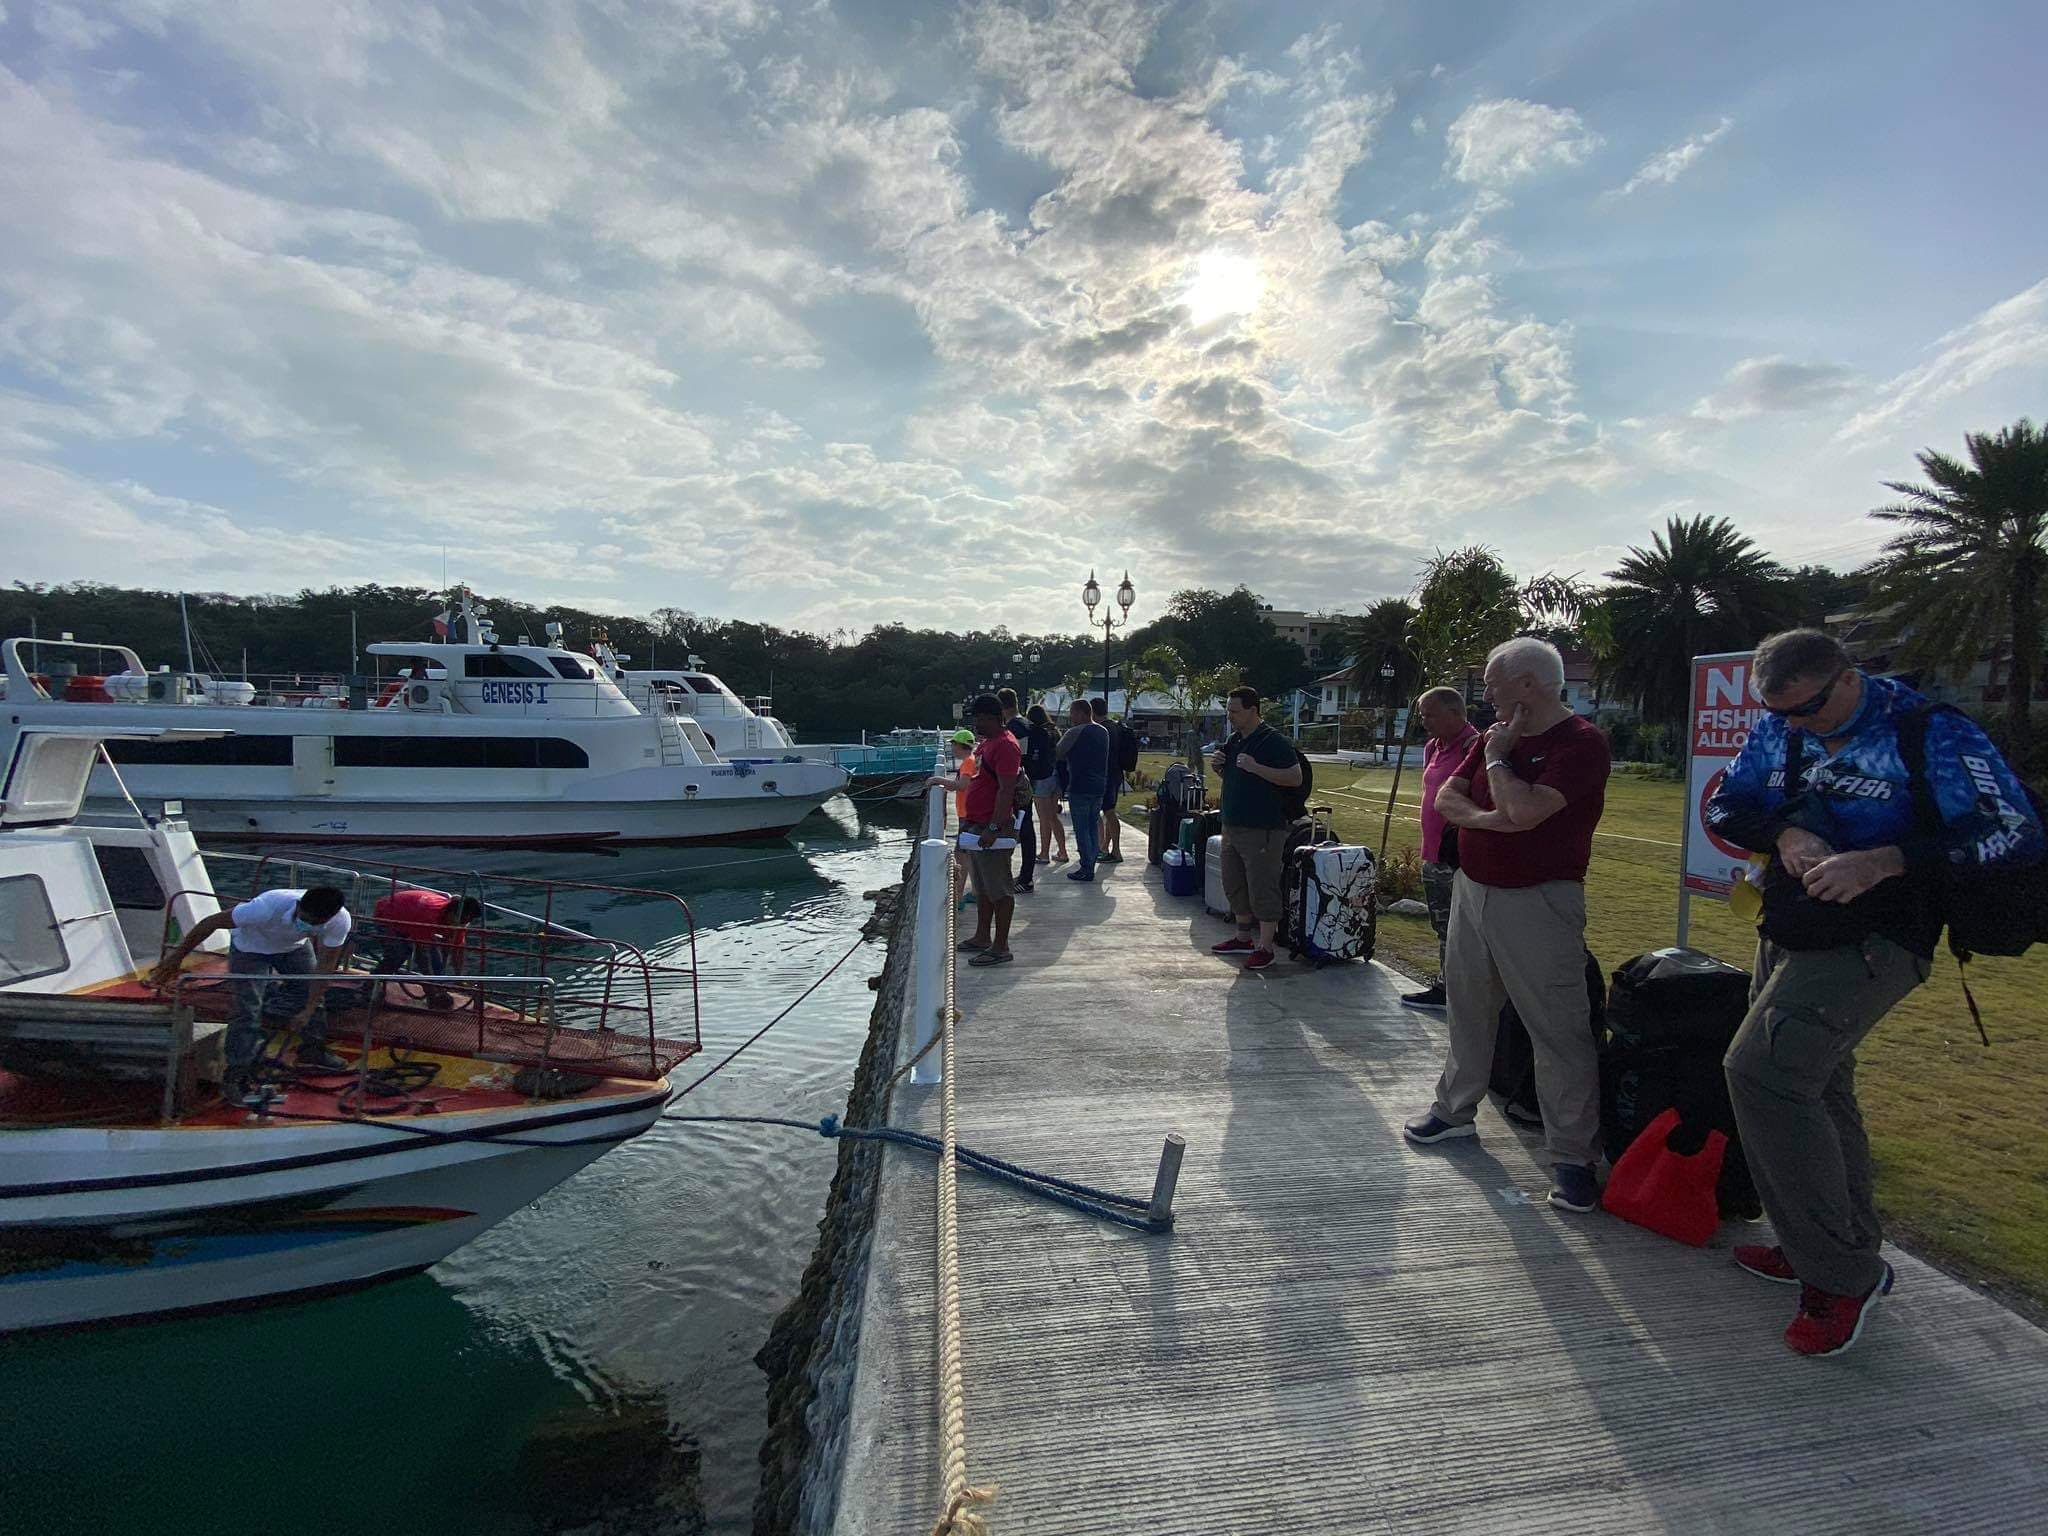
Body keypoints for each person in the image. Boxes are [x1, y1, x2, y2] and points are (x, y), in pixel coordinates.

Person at [1706, 627, 2042, 1357]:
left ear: (1848, 678)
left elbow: (2015, 832)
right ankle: (1831, 1246)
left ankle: (1840, 1277)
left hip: (1882, 936)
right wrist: (1789, 834)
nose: (1793, 725)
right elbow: (1726, 805)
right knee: (1820, 1087)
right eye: (1781, 713)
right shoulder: (1781, 728)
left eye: (1808, 709)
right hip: (1792, 924)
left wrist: (1887, 860)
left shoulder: (1929, 730)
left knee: (1760, 1072)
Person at [1403, 637, 1611, 1217]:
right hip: (1475, 889)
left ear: (1529, 684)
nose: (1486, 693)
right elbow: (1449, 799)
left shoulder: (1581, 743)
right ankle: (1454, 1109)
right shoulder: (1494, 737)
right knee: (1468, 1006)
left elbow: (1528, 812)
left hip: (1542, 901)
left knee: (1557, 1028)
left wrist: (1499, 761)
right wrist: (1491, 818)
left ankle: (1572, 1156)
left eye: (1493, 683)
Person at [147, 884, 355, 1087]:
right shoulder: (265, 907)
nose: (308, 925)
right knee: (247, 1007)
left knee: (312, 995)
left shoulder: (340, 921)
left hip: (294, 948)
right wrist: (175, 959)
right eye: (305, 919)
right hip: (250, 949)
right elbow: (210, 923)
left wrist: (308, 1010)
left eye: (316, 923)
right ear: (299, 905)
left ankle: (313, 1051)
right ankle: (238, 1067)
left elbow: (325, 968)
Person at [1207, 686, 1304, 971]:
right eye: (1228, 711)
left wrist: (1256, 767)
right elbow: (1235, 775)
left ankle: (1266, 946)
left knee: (1262, 886)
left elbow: (1294, 777)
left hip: (1262, 829)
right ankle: (1242, 937)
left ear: (1253, 710)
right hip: (1233, 825)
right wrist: (1219, 767)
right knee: (1234, 884)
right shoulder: (1235, 740)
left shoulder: (1272, 741)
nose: (1230, 716)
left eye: (1235, 711)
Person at [1401, 686, 1481, 1012]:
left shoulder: (1474, 747)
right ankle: (1447, 986)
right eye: (1422, 715)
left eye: (1430, 715)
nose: (1425, 722)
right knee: (1442, 926)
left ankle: (1464, 992)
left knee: (1464, 929)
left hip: (1461, 858)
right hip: (1433, 854)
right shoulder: (1433, 747)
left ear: (1454, 713)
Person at [927, 694, 1023, 965]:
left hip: (992, 826)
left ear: (994, 717)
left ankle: (1001, 946)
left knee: (1000, 889)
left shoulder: (1005, 746)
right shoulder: (986, 745)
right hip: (977, 824)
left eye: (980, 717)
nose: (977, 722)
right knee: (982, 887)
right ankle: (982, 936)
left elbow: (1006, 790)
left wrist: (994, 826)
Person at [370, 887, 482, 1009]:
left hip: (411, 916)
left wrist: (459, 978)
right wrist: (431, 993)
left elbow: (457, 951)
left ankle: (438, 991)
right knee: (399, 953)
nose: (463, 924)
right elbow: (422, 956)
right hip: (388, 915)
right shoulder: (428, 915)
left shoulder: (460, 922)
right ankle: (371, 983)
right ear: (451, 913)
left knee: (437, 963)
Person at [1056, 697, 1110, 880]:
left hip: (1080, 785)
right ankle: (1092, 860)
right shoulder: (1103, 732)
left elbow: (1058, 752)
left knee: (1081, 828)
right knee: (1092, 825)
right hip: (1099, 784)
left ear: (1081, 713)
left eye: (1072, 712)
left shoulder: (1075, 732)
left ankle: (1086, 867)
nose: (1071, 716)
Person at [999, 688, 1037, 893]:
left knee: (1025, 831)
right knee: (1025, 830)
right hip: (1028, 784)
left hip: (1019, 788)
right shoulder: (1026, 723)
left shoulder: (1015, 727)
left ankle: (1026, 878)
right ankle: (1024, 875)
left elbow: (1015, 759)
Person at [1026, 702, 1069, 865]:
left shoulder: (1036, 733)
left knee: (1043, 818)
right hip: (1056, 777)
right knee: (1052, 817)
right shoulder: (1054, 731)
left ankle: (1044, 853)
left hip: (1042, 778)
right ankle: (1062, 851)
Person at [1093, 697, 1126, 863]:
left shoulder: (1103, 729)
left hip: (1107, 775)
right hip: (1116, 774)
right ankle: (1106, 847)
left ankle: (1116, 850)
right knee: (1108, 811)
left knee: (1109, 812)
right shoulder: (1115, 726)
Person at [948, 727, 978, 907]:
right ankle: (974, 892)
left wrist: (940, 782)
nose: (952, 750)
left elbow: (962, 785)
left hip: (966, 815)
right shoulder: (972, 760)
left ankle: (957, 898)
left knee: (961, 857)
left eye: (954, 746)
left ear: (961, 746)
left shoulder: (968, 762)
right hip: (968, 813)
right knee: (971, 856)